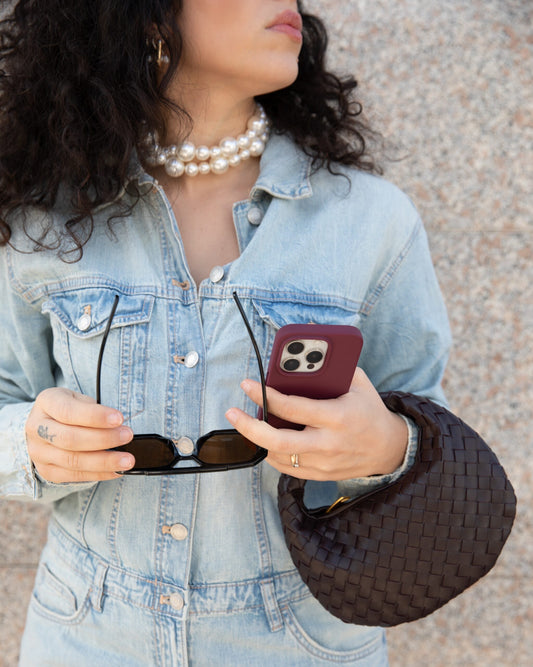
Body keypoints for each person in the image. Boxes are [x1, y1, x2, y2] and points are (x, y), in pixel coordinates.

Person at [0, 1, 451, 665]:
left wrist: (382, 444)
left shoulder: (369, 219)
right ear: (144, 15)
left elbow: (425, 422)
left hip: (301, 645)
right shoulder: (41, 216)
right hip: (85, 636)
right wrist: (34, 442)